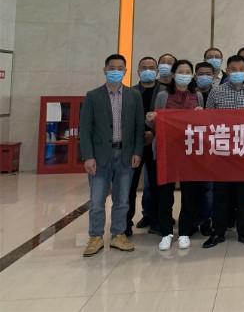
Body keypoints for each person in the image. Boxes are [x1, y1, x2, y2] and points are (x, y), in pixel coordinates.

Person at [80, 54, 144, 257]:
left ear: (125, 71)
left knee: (122, 200)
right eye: (112, 68)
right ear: (105, 70)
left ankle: (118, 234)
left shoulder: (134, 95)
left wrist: (137, 151)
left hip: (125, 154)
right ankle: (95, 237)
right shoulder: (93, 96)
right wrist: (88, 156)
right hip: (99, 156)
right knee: (97, 200)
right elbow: (85, 128)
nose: (116, 71)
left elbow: (139, 126)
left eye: (120, 68)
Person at [202, 55, 244, 248]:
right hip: (221, 152)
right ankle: (218, 232)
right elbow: (207, 122)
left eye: (241, 69)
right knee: (220, 196)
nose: (238, 72)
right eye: (234, 69)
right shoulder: (216, 92)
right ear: (227, 71)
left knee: (243, 196)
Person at [147, 60, 205, 250]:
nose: (184, 75)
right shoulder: (163, 96)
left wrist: (202, 114)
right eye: (181, 71)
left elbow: (202, 125)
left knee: (189, 194)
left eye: (188, 72)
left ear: (192, 76)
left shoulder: (197, 96)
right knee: (165, 194)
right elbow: (154, 123)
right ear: (173, 74)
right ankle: (166, 232)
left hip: (190, 152)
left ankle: (185, 232)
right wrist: (151, 119)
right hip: (167, 151)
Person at [126, 56, 162, 237]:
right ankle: (125, 224)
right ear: (138, 71)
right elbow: (125, 120)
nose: (148, 70)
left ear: (157, 71)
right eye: (144, 67)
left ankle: (155, 220)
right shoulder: (130, 92)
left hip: (157, 144)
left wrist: (153, 133)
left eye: (151, 67)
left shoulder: (164, 92)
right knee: (129, 186)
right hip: (134, 145)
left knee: (157, 185)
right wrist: (140, 135)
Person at [193, 61, 215, 236]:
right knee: (192, 188)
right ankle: (193, 220)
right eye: (201, 74)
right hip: (192, 146)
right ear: (195, 76)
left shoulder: (217, 93)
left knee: (209, 188)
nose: (205, 77)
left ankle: (206, 220)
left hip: (213, 146)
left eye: (208, 74)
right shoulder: (191, 94)